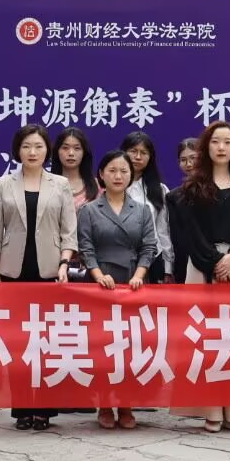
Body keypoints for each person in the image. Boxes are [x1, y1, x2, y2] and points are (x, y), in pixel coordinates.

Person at [168, 122, 230, 431]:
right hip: (201, 267)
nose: (221, 147)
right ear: (206, 147)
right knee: (204, 339)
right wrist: (213, 260)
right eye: (216, 142)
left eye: (228, 142)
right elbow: (190, 233)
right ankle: (210, 409)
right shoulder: (191, 189)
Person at [0, 124, 78, 431]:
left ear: (47, 150)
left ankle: (44, 409)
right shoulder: (4, 184)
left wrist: (65, 263)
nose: (32, 152)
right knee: (19, 343)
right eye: (27, 146)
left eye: (38, 146)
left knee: (47, 341)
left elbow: (69, 232)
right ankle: (22, 410)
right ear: (18, 150)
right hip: (13, 273)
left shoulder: (60, 184)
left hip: (50, 273)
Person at [79, 150, 158, 430]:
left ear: (131, 175)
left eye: (124, 171)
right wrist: (98, 275)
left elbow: (149, 246)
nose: (118, 176)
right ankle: (104, 403)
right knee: (103, 347)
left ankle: (126, 404)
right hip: (100, 284)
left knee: (130, 347)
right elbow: (85, 247)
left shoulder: (142, 210)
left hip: (132, 283)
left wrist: (139, 275)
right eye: (112, 170)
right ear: (101, 174)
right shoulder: (89, 210)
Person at [122, 131, 172, 283]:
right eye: (133, 151)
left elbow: (163, 230)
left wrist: (168, 267)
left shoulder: (159, 190)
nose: (138, 157)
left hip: (153, 258)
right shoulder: (112, 186)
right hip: (119, 259)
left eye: (143, 153)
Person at [54, 127, 99, 208]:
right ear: (57, 151)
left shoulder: (98, 186)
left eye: (77, 148)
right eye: (65, 148)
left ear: (84, 152)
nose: (71, 153)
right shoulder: (46, 184)